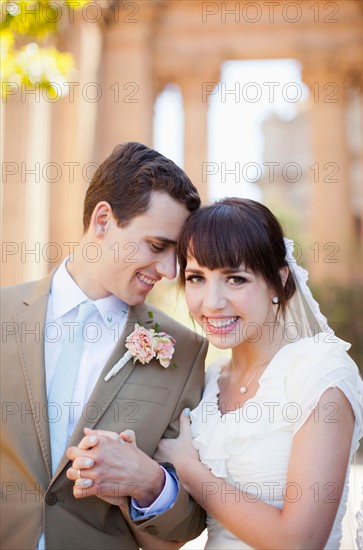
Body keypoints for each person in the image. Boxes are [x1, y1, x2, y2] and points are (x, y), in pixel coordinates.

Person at [0, 142, 208, 550]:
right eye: (156, 246)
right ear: (102, 221)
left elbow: (189, 524)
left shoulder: (183, 351)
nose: (169, 271)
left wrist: (150, 484)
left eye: (176, 256)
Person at [151, 198, 363, 549]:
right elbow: (169, 539)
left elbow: (300, 541)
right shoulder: (207, 383)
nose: (212, 302)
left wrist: (190, 472)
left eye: (235, 279)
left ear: (279, 281)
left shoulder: (320, 371)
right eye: (196, 278)